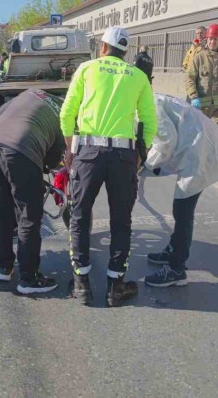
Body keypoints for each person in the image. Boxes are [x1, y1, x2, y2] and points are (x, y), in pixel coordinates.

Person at [59, 27, 157, 307]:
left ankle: (82, 284)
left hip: (89, 153)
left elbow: (67, 112)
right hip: (123, 156)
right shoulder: (138, 76)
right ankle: (116, 287)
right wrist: (141, 154)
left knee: (79, 217)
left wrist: (69, 149)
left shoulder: (87, 69)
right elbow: (149, 122)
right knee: (121, 221)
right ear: (125, 52)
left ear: (103, 47)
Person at [133, 55, 218, 287]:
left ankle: (177, 268)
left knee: (182, 209)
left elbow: (166, 143)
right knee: (181, 207)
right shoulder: (148, 99)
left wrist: (143, 167)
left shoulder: (149, 103)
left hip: (201, 152)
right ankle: (174, 249)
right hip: (198, 147)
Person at [0, 88, 66, 294]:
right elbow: (55, 156)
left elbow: (2, 111)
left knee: (1, 212)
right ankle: (28, 278)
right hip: (21, 150)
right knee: (29, 217)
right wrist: (47, 165)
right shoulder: (64, 112)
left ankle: (4, 267)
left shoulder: (31, 93)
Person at [185, 23, 218, 135]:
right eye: (210, 39)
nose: (212, 42)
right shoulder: (199, 57)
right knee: (201, 136)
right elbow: (190, 78)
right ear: (207, 39)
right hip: (202, 106)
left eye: (215, 39)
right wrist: (193, 96)